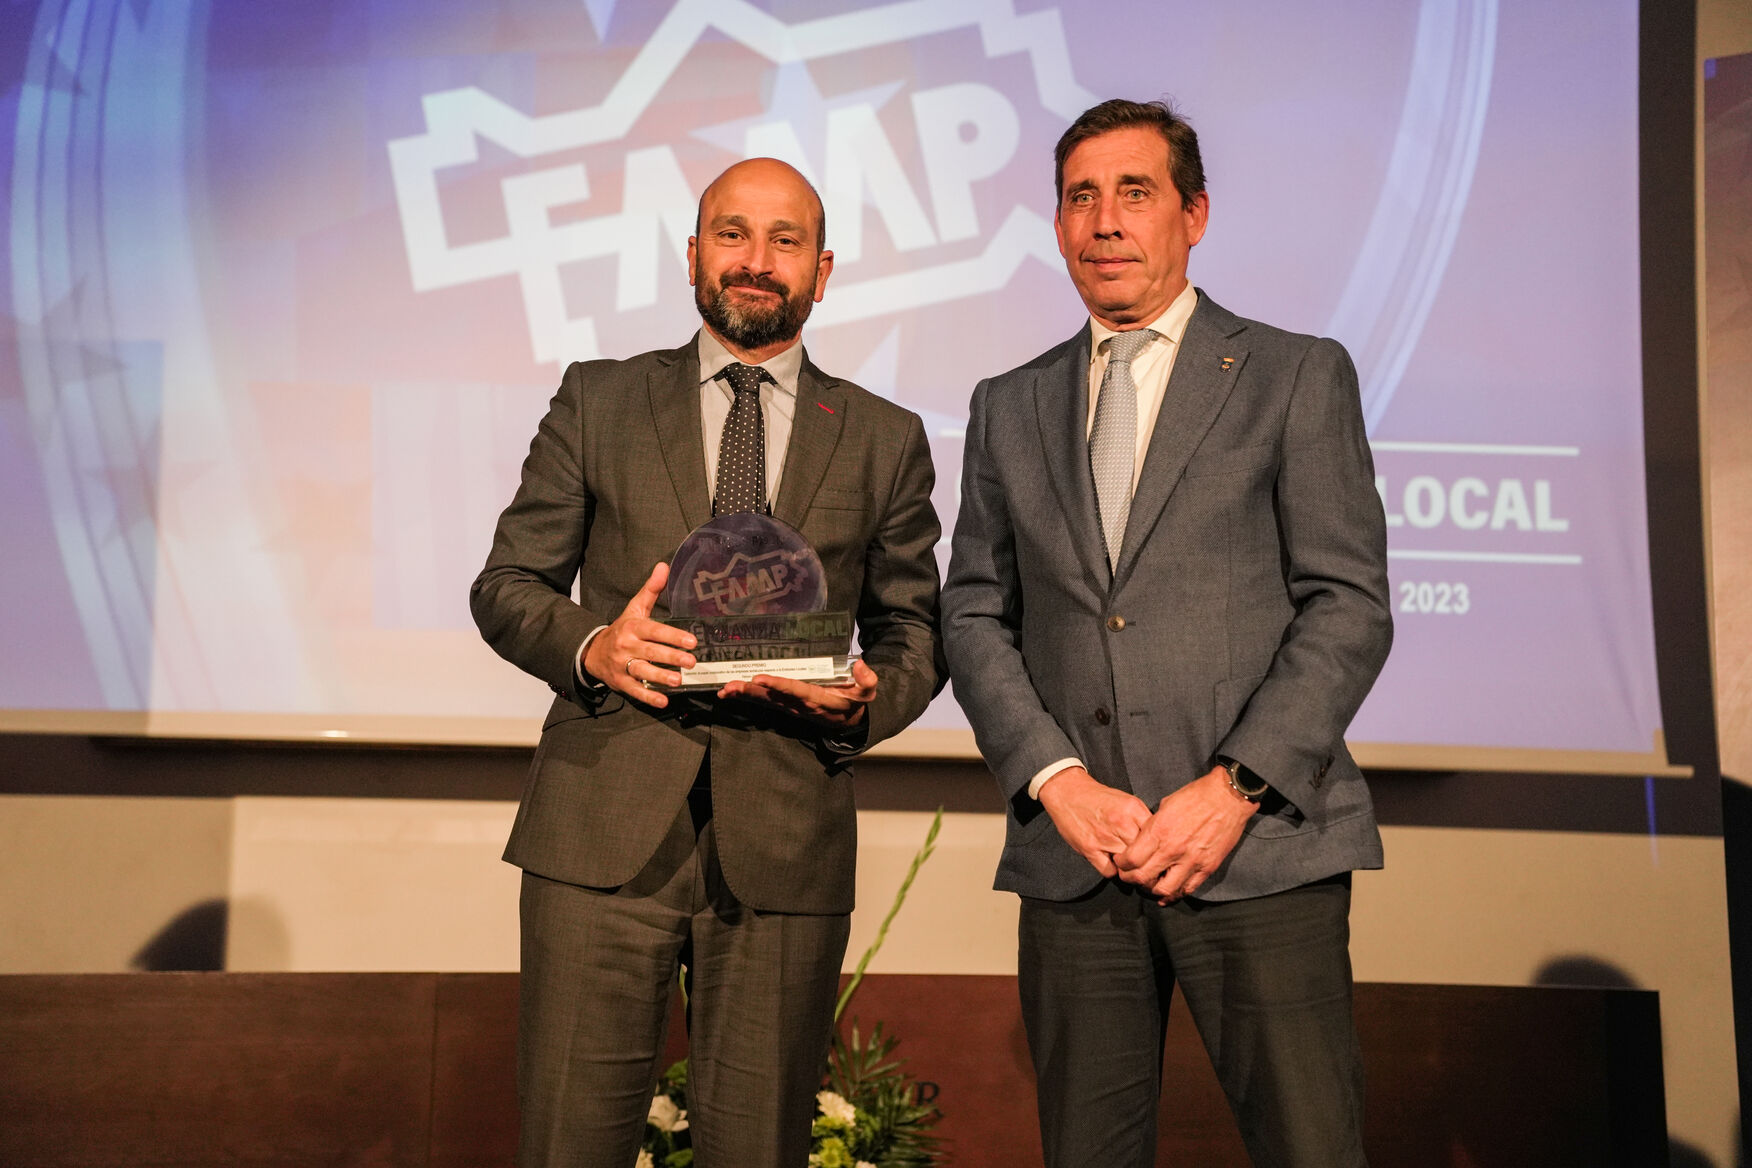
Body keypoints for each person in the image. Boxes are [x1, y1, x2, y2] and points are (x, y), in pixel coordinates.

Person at [941, 99, 1392, 1166]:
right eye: (1080, 197)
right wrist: (1058, 781)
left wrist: (1232, 791)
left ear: (1194, 215)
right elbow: (973, 610)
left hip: (1256, 850)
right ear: (1057, 225)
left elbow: (1348, 604)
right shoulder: (1008, 404)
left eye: (1135, 193)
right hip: (1079, 862)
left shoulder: (1294, 374)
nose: (1105, 221)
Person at [471, 157, 942, 1168]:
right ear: (692, 254)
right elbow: (506, 586)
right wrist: (596, 645)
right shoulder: (598, 400)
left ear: (823, 270)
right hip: (600, 832)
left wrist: (867, 701)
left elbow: (917, 633)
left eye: (785, 240)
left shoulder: (884, 437)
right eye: (733, 233)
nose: (756, 260)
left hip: (785, 842)